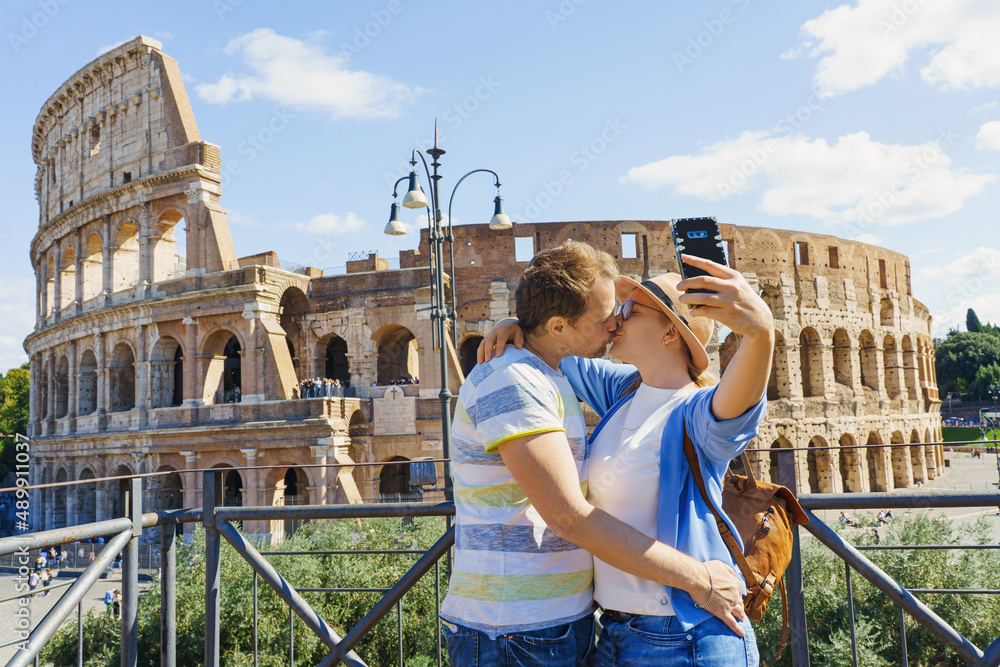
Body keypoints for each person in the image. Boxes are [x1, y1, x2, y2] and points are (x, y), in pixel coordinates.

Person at [440, 241, 746, 667]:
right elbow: (567, 516)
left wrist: (516, 323)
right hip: (513, 628)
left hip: (558, 623)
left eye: (623, 312)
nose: (615, 324)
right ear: (558, 326)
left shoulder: (554, 371)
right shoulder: (515, 380)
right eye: (605, 318)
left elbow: (730, 400)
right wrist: (699, 579)